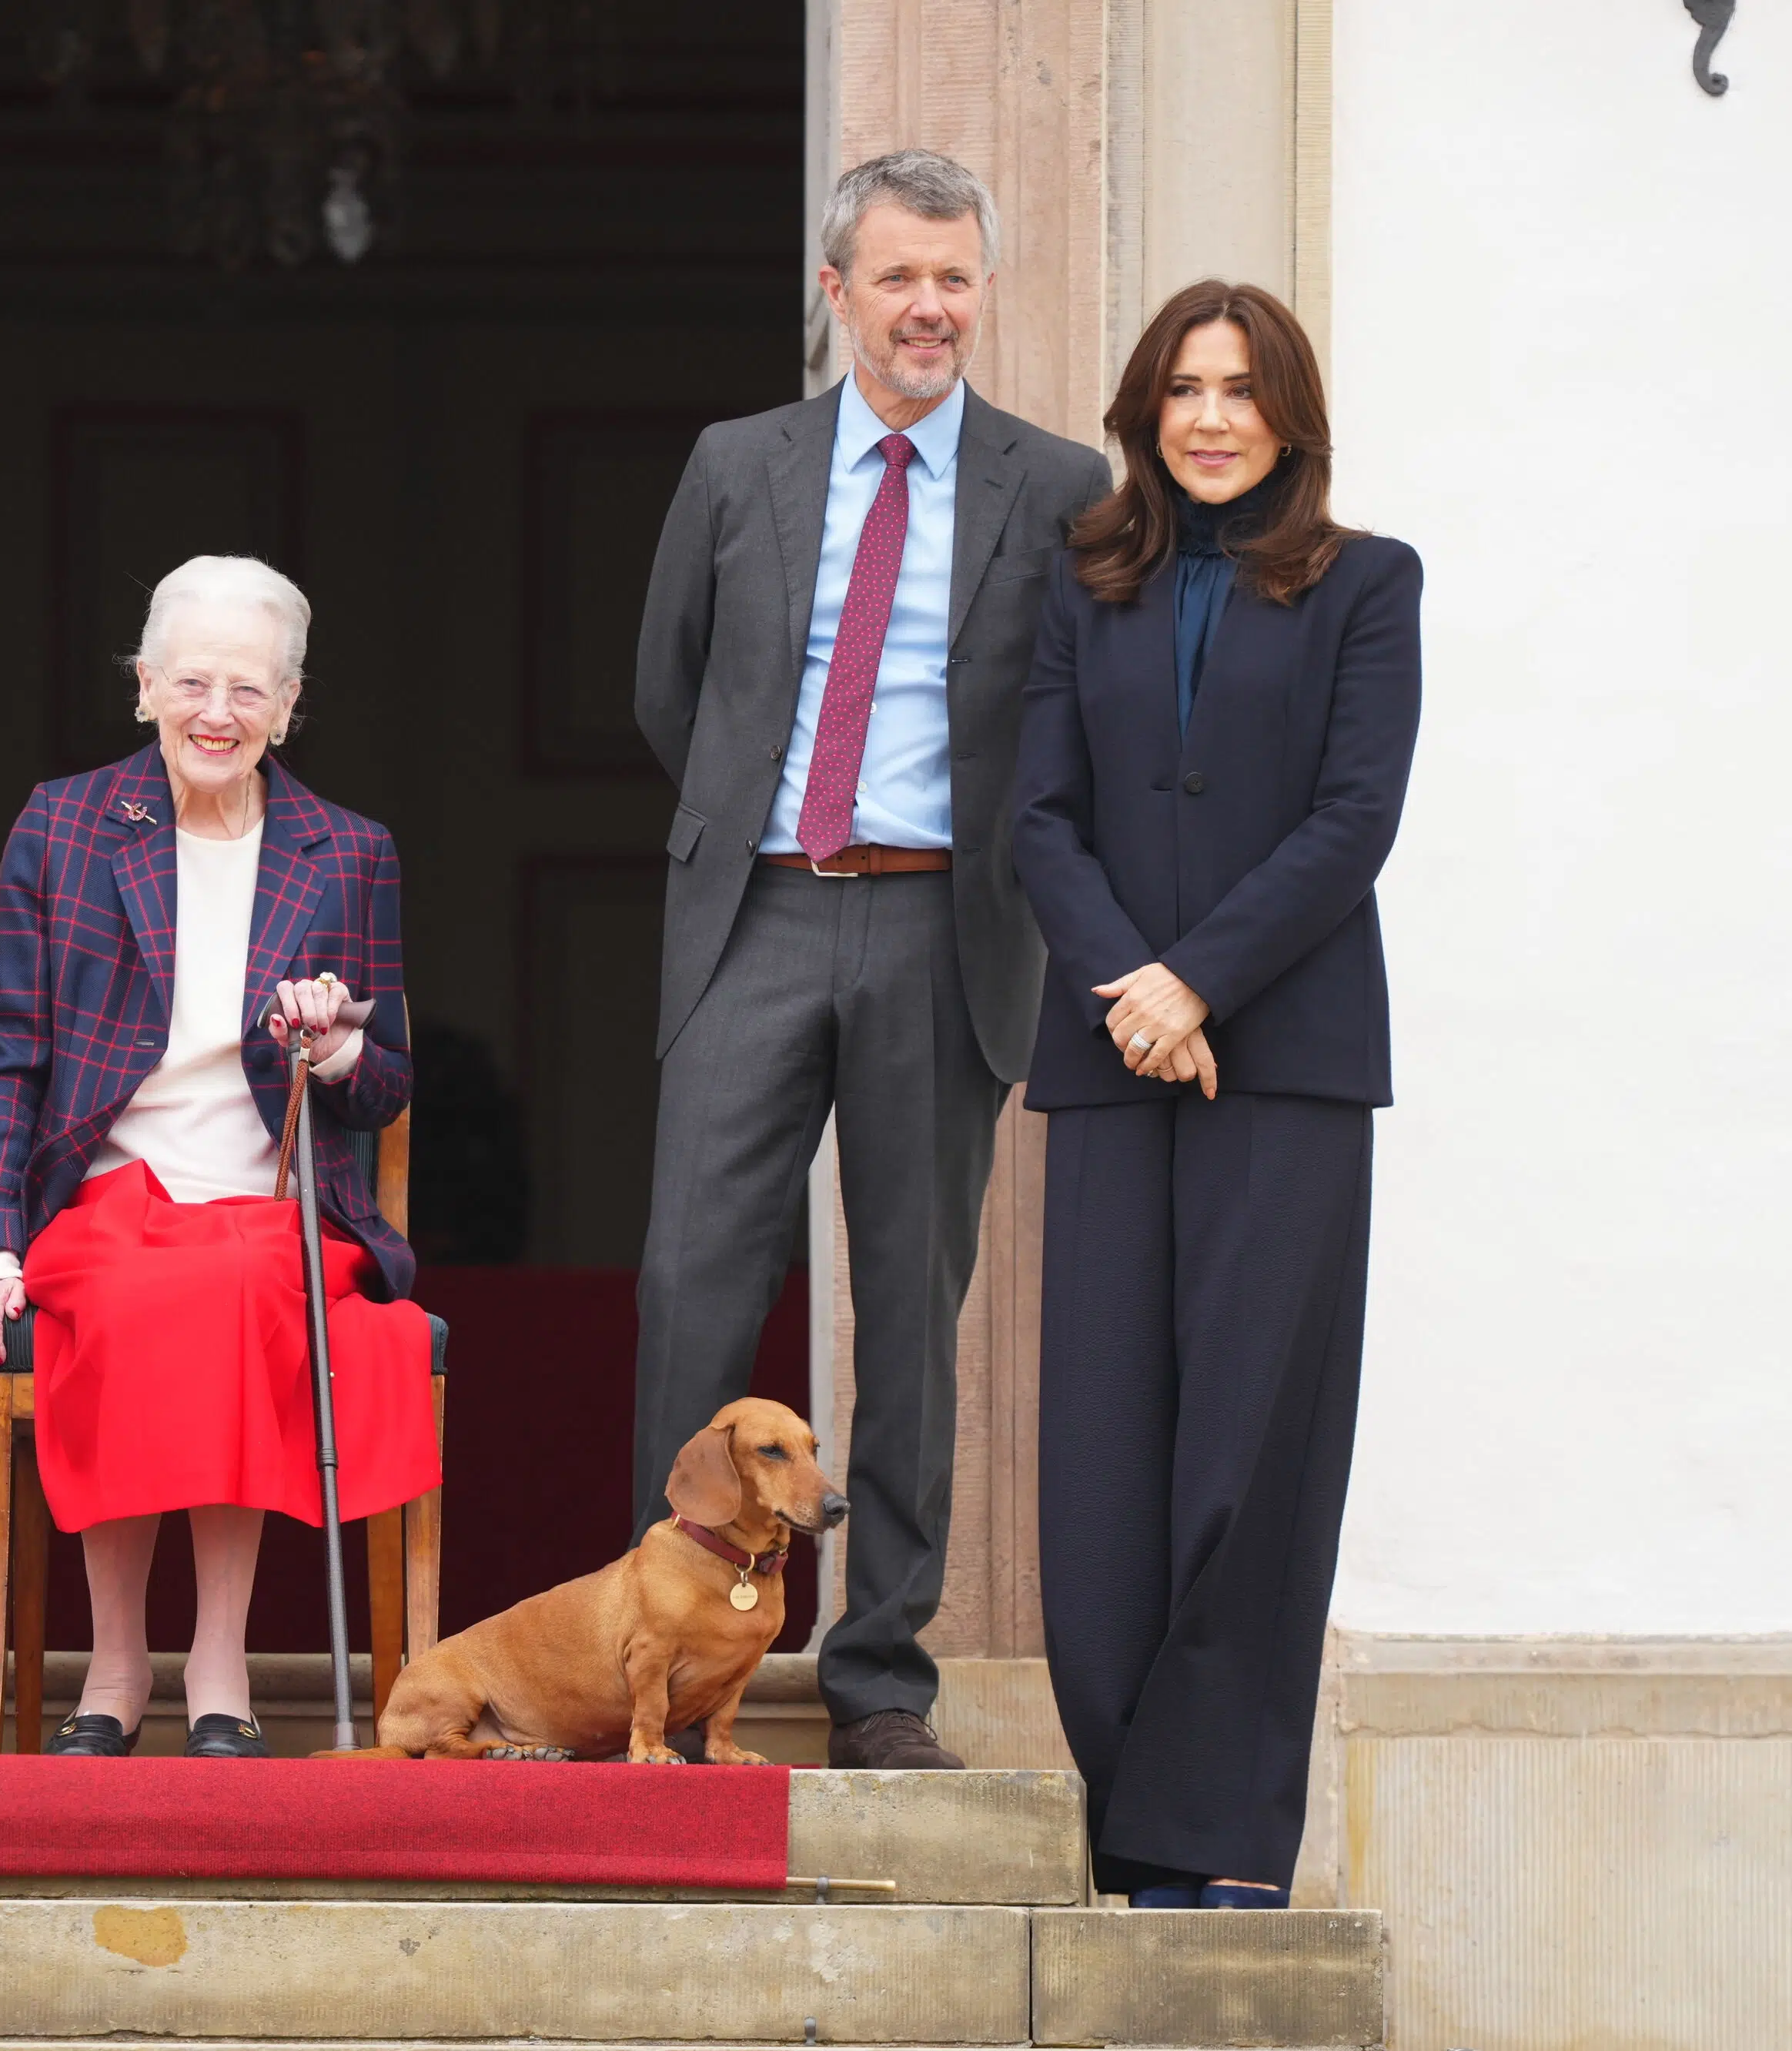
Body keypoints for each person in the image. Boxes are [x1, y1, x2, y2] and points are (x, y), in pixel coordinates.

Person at [629, 150, 1111, 1771]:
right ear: (833, 292)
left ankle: (878, 1678)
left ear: (981, 292)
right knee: (695, 1279)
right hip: (755, 909)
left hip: (940, 924)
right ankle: (671, 1675)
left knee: (909, 1313)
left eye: (954, 278)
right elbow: (668, 687)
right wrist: (749, 825)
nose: (927, 306)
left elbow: (1075, 716)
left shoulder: (1053, 486)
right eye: (897, 276)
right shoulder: (732, 463)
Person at [1011, 281, 1419, 1904]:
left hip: (1287, 1067)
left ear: (1288, 415)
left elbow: (1350, 818)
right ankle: (1130, 1828)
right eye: (1181, 388)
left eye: (1239, 390)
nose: (1207, 418)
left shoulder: (1366, 585)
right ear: (1142, 409)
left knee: (1251, 1451)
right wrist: (1132, 989)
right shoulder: (1081, 584)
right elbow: (1039, 814)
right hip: (1114, 1066)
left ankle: (1221, 1842)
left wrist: (1198, 983)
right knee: (1105, 1457)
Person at [0, 554, 437, 1760]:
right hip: (109, 1192)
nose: (219, 714)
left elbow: (386, 1086)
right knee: (127, 1294)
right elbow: (7, 1055)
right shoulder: (61, 825)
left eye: (250, 691)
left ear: (289, 704)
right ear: (146, 686)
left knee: (232, 1288)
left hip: (276, 1203)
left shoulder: (348, 850)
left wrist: (329, 1051)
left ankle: (218, 1652)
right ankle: (118, 1656)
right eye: (194, 684)